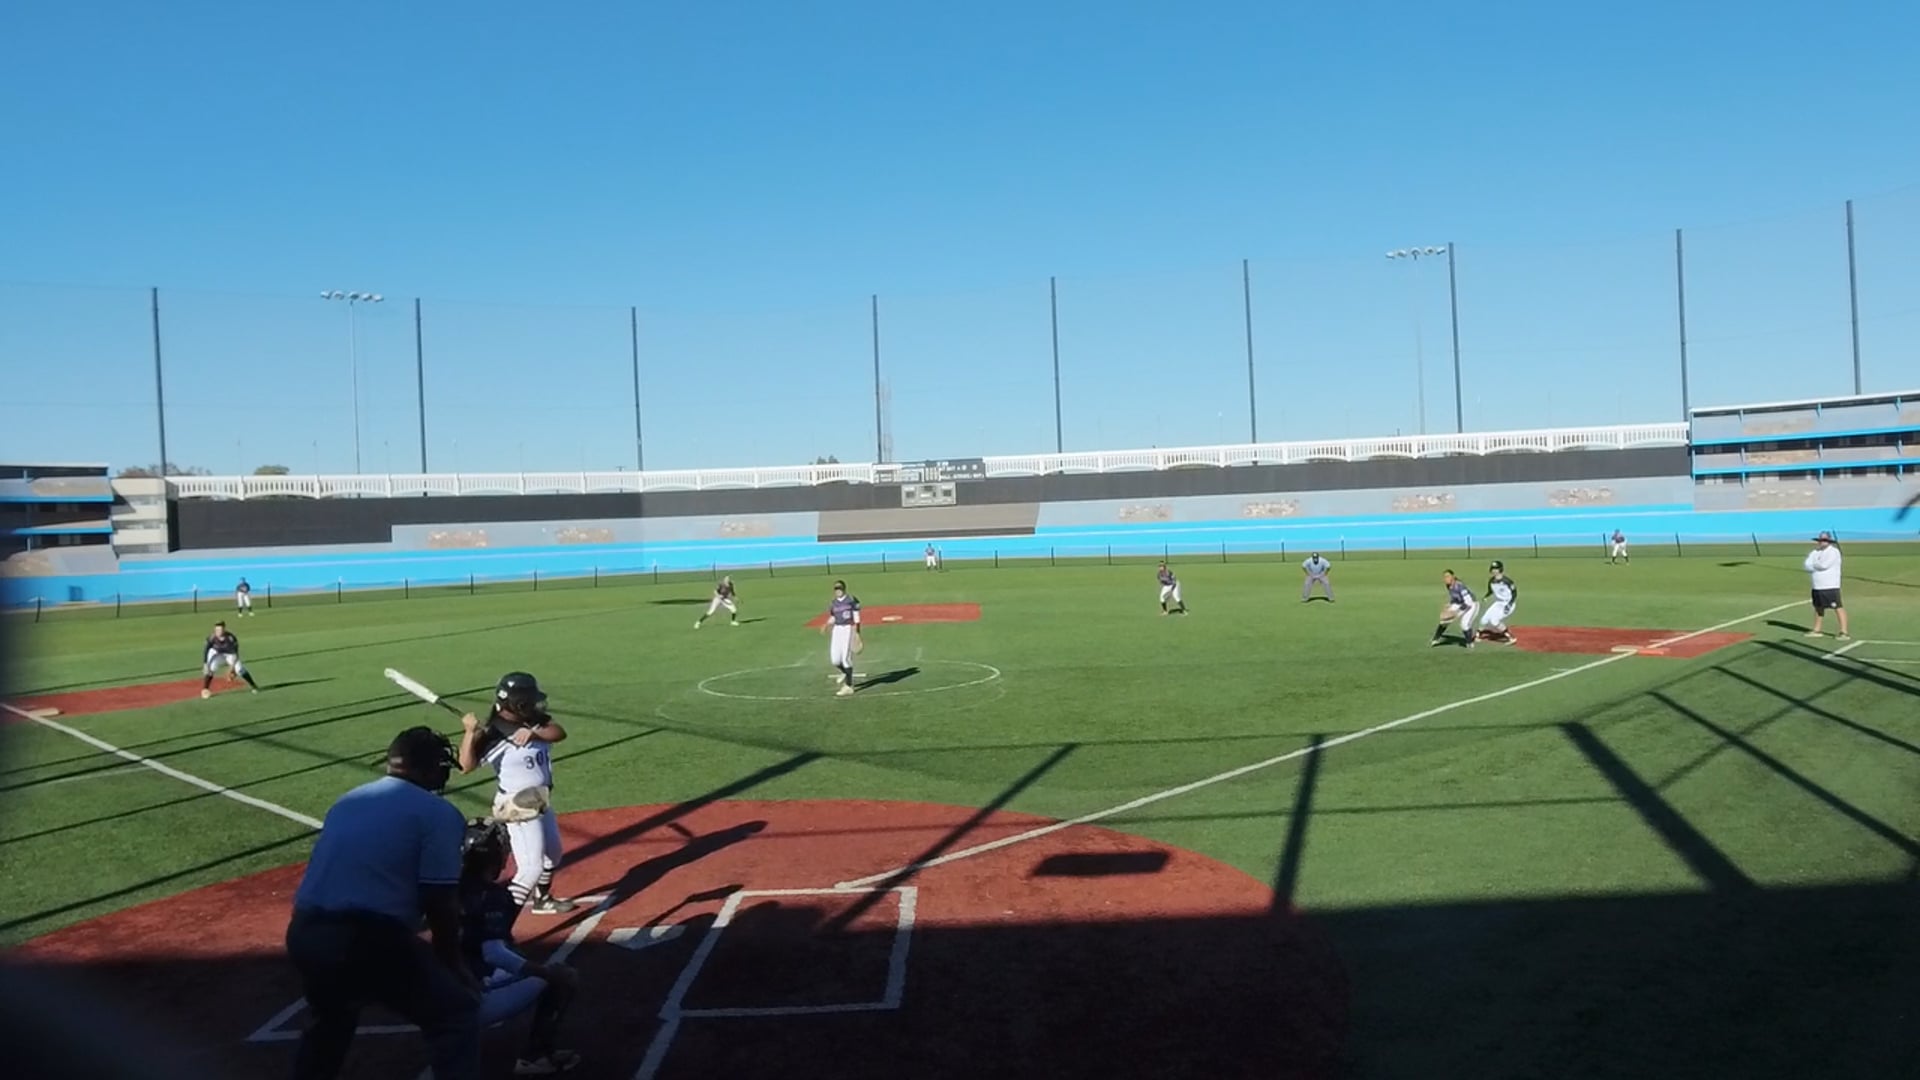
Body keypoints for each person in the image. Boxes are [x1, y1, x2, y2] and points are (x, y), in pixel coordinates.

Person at [284, 726, 480, 1080]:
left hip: (304, 932)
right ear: (430, 768)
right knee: (456, 1014)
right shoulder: (439, 813)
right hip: (367, 938)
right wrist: (452, 963)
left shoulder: (348, 800)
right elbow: (439, 900)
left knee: (331, 1020)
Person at [458, 819, 582, 1076]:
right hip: (472, 997)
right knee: (563, 977)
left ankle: (452, 1045)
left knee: (512, 952)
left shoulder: (443, 889)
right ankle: (536, 1057)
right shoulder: (492, 895)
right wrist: (544, 972)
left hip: (433, 995)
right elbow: (493, 952)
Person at [459, 673, 576, 914]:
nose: (535, 703)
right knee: (531, 869)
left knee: (553, 855)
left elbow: (559, 732)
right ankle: (498, 923)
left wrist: (535, 734)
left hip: (539, 799)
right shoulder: (494, 734)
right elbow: (466, 766)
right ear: (518, 702)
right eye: (530, 700)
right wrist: (470, 733)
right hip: (517, 804)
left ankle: (542, 900)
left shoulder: (532, 721)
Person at [1802, 531, 1849, 640]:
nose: (1822, 542)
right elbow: (1807, 565)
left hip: (1830, 585)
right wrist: (1815, 565)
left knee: (1837, 607)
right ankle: (1817, 630)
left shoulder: (1834, 552)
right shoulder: (1815, 552)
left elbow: (1824, 565)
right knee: (1818, 608)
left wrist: (1814, 565)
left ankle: (1844, 632)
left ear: (1829, 541)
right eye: (1820, 540)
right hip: (1817, 585)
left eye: (1824, 540)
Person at [820, 579, 863, 697]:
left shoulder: (851, 600)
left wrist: (857, 631)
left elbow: (856, 616)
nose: (838, 591)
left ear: (844, 589)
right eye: (836, 589)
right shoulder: (833, 603)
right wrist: (826, 624)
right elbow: (834, 617)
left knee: (845, 659)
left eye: (840, 588)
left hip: (848, 629)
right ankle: (845, 673)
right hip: (837, 630)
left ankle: (849, 686)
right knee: (835, 660)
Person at [200, 620, 260, 698]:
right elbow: (206, 650)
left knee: (240, 669)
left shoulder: (230, 638)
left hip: (230, 655)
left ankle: (254, 686)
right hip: (219, 655)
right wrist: (205, 664)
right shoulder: (211, 638)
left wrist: (232, 669)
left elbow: (235, 655)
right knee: (211, 668)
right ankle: (205, 689)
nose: (218, 632)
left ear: (224, 629)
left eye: (220, 630)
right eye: (217, 630)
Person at [1430, 570, 1479, 649]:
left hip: (1472, 605)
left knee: (1464, 624)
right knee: (1444, 620)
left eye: (1448, 576)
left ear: (1453, 577)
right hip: (1460, 603)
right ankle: (1435, 639)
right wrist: (1449, 605)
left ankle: (1469, 642)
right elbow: (1455, 598)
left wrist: (1456, 612)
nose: (1446, 579)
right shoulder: (1449, 586)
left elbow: (1468, 602)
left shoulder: (1460, 586)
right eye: (1444, 577)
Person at [1477, 560, 1520, 645]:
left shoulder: (1507, 581)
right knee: (1484, 620)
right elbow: (1490, 591)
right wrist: (1486, 596)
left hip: (1507, 603)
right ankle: (1477, 636)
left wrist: (1509, 604)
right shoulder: (1491, 581)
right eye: (1493, 569)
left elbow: (1514, 593)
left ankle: (1511, 638)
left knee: (1494, 621)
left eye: (1496, 569)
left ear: (1500, 569)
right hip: (1498, 603)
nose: (1494, 571)